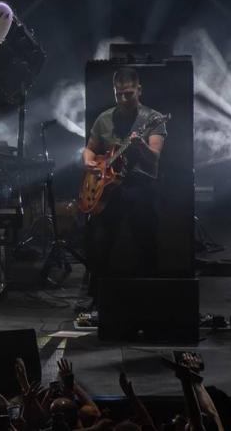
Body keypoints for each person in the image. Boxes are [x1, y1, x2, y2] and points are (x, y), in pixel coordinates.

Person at [81, 66, 166, 308]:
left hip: (140, 186)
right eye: (119, 94)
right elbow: (90, 148)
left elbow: (155, 158)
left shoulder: (152, 118)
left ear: (139, 90)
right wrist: (88, 162)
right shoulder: (104, 118)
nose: (124, 99)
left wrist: (141, 146)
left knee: (145, 239)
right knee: (101, 240)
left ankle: (150, 299)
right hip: (109, 188)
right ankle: (97, 299)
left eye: (129, 94)